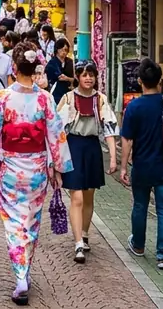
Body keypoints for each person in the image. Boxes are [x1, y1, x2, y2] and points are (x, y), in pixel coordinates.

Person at [0, 42, 72, 305]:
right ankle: (24, 271)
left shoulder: (2, 98)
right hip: (37, 168)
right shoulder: (44, 98)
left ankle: (21, 275)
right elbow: (56, 135)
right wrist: (58, 168)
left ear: (14, 67)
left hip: (10, 167)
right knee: (31, 220)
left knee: (14, 222)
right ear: (35, 69)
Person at [120, 58, 163, 270]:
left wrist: (123, 167)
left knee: (140, 206)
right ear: (160, 80)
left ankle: (138, 245)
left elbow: (127, 139)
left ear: (140, 81)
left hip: (142, 165)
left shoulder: (134, 106)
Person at [56, 60, 119, 263]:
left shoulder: (100, 100)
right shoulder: (68, 98)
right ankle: (78, 244)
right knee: (77, 197)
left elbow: (109, 129)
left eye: (91, 74)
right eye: (84, 75)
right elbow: (58, 130)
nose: (88, 78)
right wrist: (56, 159)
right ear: (77, 77)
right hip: (73, 147)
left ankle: (84, 233)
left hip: (92, 148)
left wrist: (113, 158)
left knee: (89, 196)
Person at [45, 38, 77, 105]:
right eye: (62, 49)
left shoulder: (70, 62)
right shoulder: (52, 63)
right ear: (57, 49)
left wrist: (68, 79)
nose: (64, 52)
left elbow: (75, 79)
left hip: (69, 93)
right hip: (55, 93)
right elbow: (55, 78)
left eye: (66, 50)